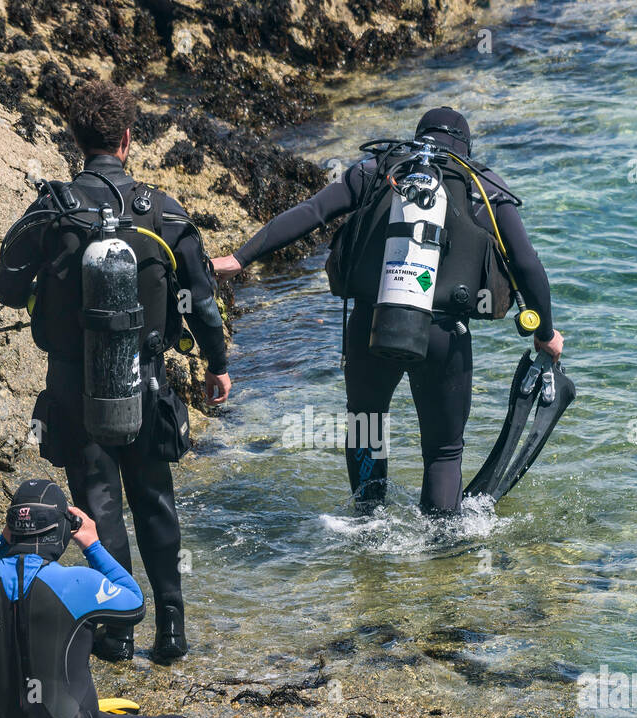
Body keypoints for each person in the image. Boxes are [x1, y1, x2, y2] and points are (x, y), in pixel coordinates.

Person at [212, 107, 566, 515]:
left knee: (366, 427)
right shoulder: (480, 186)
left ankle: (368, 530)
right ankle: (441, 561)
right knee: (443, 451)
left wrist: (240, 258)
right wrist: (546, 332)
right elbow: (527, 264)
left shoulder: (378, 170)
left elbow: (311, 213)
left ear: (419, 137)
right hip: (443, 337)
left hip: (370, 326)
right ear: (464, 147)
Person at [0, 80, 230, 663]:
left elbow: (5, 286)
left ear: (78, 140)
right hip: (146, 382)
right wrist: (216, 364)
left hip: (75, 386)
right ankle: (170, 630)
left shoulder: (51, 211)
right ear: (128, 139)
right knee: (155, 497)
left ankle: (118, 629)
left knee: (99, 503)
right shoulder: (164, 212)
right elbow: (201, 301)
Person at [0, 479, 248, 718]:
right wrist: (92, 544)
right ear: (63, 530)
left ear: (10, 529)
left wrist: (3, 540)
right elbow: (135, 603)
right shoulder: (77, 582)